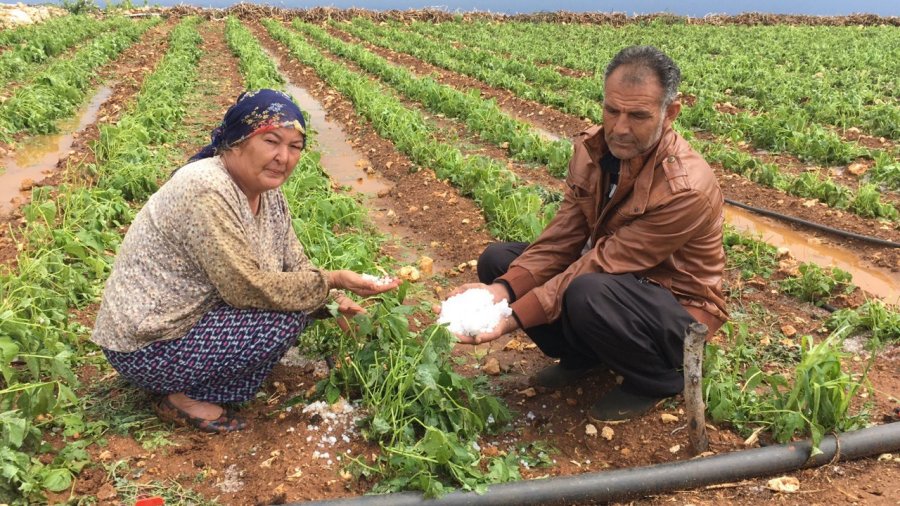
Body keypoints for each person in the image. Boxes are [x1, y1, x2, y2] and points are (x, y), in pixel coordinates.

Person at [442, 46, 727, 422]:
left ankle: (655, 380)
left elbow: (605, 262)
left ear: (669, 113)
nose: (620, 127)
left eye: (638, 115)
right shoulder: (592, 150)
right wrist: (501, 292)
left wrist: (511, 317)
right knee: (500, 261)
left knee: (587, 290)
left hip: (674, 308)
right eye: (612, 110)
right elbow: (564, 236)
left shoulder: (685, 188)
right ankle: (584, 359)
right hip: (616, 286)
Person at [91, 89, 399, 433]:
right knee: (286, 316)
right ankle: (180, 396)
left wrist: (337, 302)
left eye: (295, 146)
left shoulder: (267, 193)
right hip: (148, 345)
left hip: (187, 322)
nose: (284, 157)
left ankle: (204, 377)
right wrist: (335, 280)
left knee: (299, 299)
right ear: (237, 140)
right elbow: (244, 287)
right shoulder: (207, 188)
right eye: (271, 141)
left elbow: (293, 262)